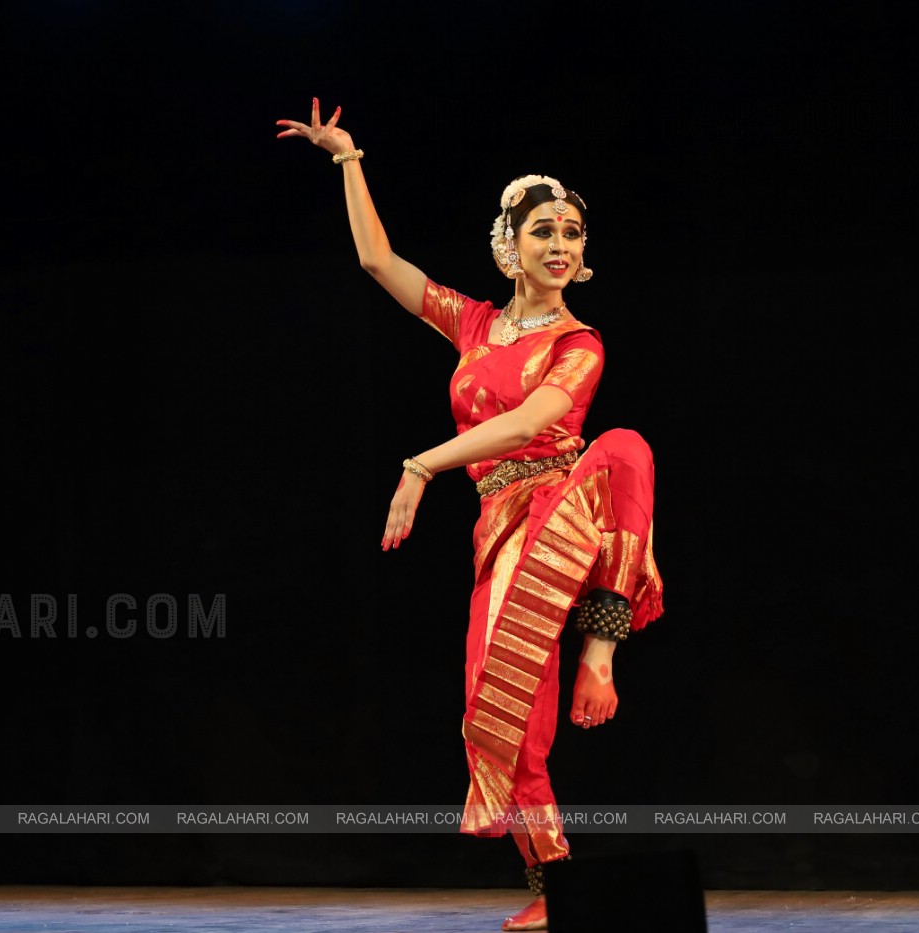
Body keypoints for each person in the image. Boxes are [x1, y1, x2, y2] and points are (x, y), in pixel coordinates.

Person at [276, 99, 664, 932]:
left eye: (572, 235)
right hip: (500, 531)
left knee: (626, 445)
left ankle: (600, 645)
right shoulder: (476, 326)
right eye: (544, 233)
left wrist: (420, 463)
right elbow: (379, 262)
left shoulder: (578, 342)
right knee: (494, 715)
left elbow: (530, 425)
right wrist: (348, 160)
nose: (561, 246)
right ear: (510, 246)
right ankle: (555, 887)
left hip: (566, 506)